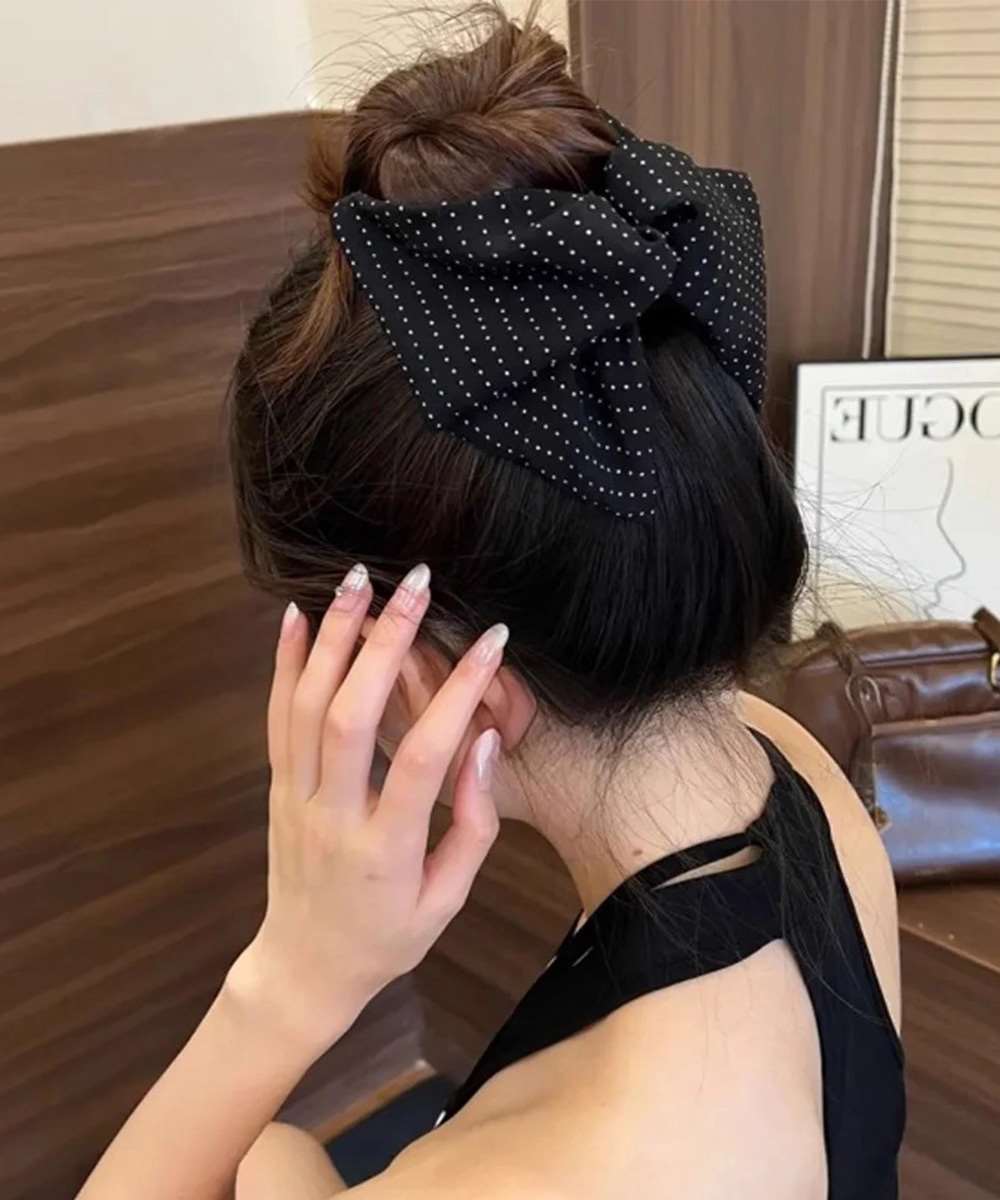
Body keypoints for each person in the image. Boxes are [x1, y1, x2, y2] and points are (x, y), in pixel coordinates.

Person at [76, 4, 905, 1199]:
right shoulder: (797, 770)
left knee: (270, 1156)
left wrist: (288, 985)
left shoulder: (526, 1172)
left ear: (428, 674)